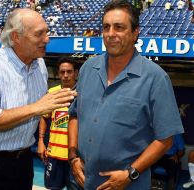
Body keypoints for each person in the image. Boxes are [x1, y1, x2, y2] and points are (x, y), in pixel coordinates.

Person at [68, 0, 184, 189]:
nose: (111, 34)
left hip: (127, 184)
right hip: (80, 182)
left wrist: (131, 173)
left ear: (135, 32)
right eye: (106, 27)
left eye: (119, 27)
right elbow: (74, 115)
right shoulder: (87, 68)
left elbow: (165, 138)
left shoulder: (155, 78)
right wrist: (72, 157)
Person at [0, 8, 76, 190]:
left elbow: (40, 109)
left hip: (23, 163)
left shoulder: (39, 65)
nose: (46, 39)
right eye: (39, 34)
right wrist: (37, 107)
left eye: (47, 32)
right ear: (16, 37)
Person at [37, 57, 78, 190]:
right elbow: (44, 117)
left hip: (75, 157)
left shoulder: (83, 93)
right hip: (53, 155)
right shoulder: (51, 93)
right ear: (57, 73)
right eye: (62, 72)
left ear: (76, 73)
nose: (65, 75)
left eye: (69, 71)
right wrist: (41, 141)